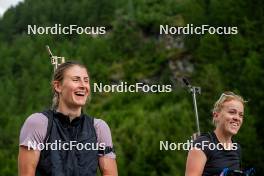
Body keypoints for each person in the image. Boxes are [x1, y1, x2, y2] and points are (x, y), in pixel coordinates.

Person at [18, 61, 118, 176]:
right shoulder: (38, 123)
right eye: (76, 80)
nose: (83, 85)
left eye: (86, 80)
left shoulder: (99, 128)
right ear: (58, 86)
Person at [185, 91, 246, 176]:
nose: (237, 118)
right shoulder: (203, 145)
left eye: (241, 115)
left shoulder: (237, 148)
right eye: (232, 112)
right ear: (216, 115)